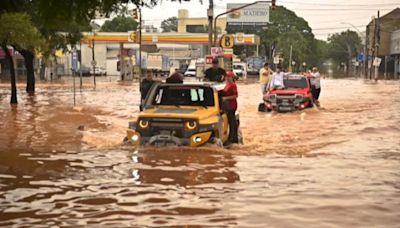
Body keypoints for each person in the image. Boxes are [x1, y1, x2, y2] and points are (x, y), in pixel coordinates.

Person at [220, 71, 239, 144]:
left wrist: (226, 98)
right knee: (230, 122)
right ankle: (231, 137)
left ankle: (233, 139)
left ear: (232, 77)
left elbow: (235, 96)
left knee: (232, 122)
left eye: (228, 77)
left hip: (231, 106)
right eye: (226, 77)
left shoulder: (233, 85)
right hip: (227, 106)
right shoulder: (227, 84)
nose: (227, 78)